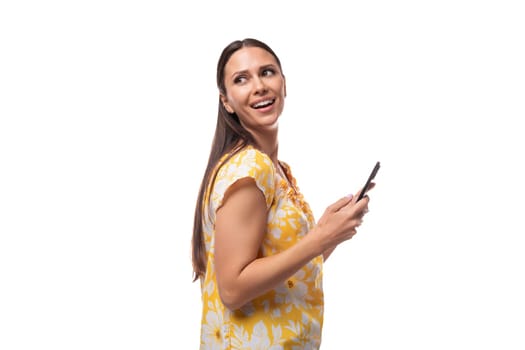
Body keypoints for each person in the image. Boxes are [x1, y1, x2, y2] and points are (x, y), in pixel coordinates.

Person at [191, 38, 374, 349]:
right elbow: (233, 289)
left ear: (284, 84)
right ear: (226, 101)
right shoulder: (251, 168)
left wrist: (327, 234)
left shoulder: (276, 169)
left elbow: (282, 272)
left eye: (267, 72)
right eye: (241, 79)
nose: (259, 86)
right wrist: (319, 239)